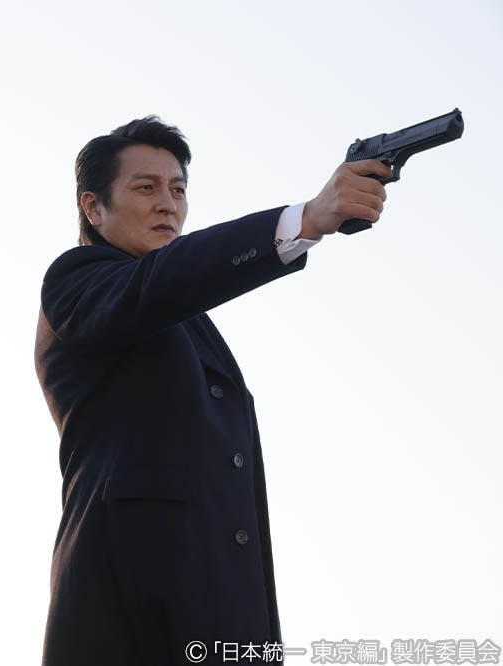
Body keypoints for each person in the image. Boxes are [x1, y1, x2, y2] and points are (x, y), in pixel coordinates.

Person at [34, 116, 390, 665]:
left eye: (178, 190)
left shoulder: (182, 314)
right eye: (146, 188)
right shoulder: (78, 283)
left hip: (221, 615)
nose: (168, 205)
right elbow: (167, 280)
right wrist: (306, 219)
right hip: (132, 610)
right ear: (93, 207)